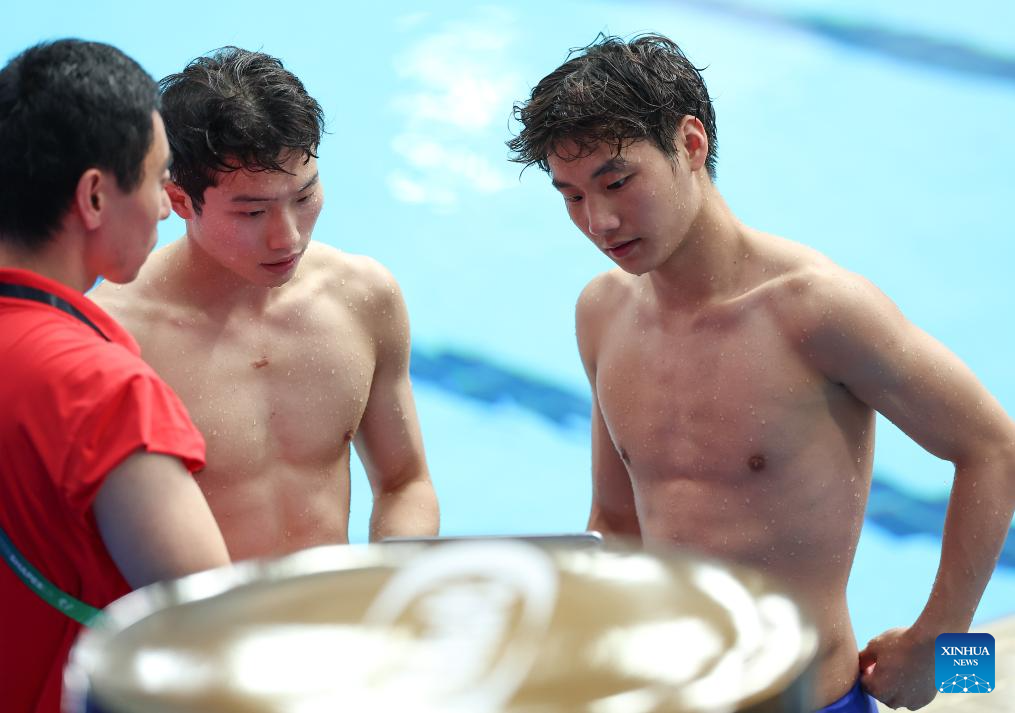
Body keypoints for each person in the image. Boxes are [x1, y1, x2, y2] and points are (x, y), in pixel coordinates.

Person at [508, 34, 1015, 712]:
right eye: (570, 196)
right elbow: (616, 517)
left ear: (690, 144)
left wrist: (941, 650)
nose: (598, 221)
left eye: (616, 182)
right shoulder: (601, 312)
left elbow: (994, 447)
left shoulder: (817, 311)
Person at [91, 47, 439, 561]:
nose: (288, 237)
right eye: (252, 213)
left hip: (332, 605)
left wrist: (388, 584)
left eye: (304, 197)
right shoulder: (115, 338)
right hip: (206, 611)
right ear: (179, 200)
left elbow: (404, 482)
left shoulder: (362, 297)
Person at [0, 40, 230, 713]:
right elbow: (214, 628)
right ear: (95, 196)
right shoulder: (104, 392)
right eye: (158, 178)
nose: (164, 207)